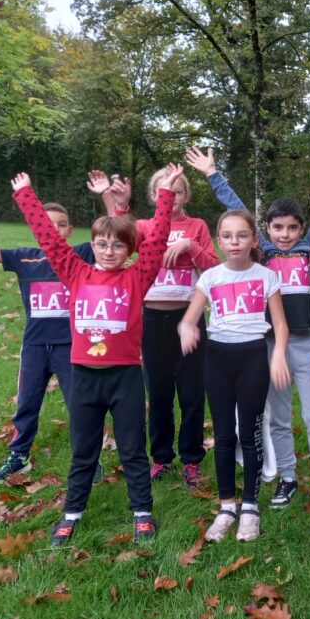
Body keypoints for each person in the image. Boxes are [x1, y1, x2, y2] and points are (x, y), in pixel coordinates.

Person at [9, 165, 183, 545]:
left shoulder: (138, 277)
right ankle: (72, 513)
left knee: (133, 449)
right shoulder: (75, 272)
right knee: (83, 451)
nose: (108, 251)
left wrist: (166, 195)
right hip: (85, 377)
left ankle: (142, 512)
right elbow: (50, 240)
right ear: (93, 244)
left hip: (125, 378)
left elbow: (157, 241)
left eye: (118, 245)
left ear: (129, 249)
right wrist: (26, 196)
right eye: (102, 244)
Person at [186, 144, 310, 504]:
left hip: (309, 345)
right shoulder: (263, 255)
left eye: (292, 227)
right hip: (269, 347)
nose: (285, 234)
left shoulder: (309, 251)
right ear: (266, 231)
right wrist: (213, 174)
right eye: (277, 228)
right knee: (278, 418)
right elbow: (238, 212)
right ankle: (287, 477)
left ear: (301, 228)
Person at [91, 166, 218, 489]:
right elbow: (117, 240)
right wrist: (116, 202)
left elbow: (215, 270)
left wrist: (191, 247)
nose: (171, 197)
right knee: (159, 393)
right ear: (153, 195)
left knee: (191, 394)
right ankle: (161, 458)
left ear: (186, 195)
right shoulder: (146, 226)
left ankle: (191, 459)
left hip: (188, 320)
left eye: (177, 191)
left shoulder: (197, 226)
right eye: (165, 191)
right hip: (151, 321)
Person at [0, 179, 97, 484]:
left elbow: (113, 233)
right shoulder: (25, 257)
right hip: (35, 347)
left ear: (69, 230)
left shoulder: (80, 256)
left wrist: (107, 197)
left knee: (79, 406)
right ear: (37, 227)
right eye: (46, 223)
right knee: (26, 403)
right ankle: (19, 457)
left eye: (61, 224)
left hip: (71, 346)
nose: (53, 229)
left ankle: (89, 461)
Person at [177, 209, 290, 542]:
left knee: (251, 434)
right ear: (219, 239)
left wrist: (279, 354)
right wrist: (186, 328)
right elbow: (189, 318)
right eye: (227, 236)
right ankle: (227, 505)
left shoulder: (266, 276)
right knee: (224, 435)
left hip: (253, 358)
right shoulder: (210, 277)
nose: (235, 242)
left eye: (242, 235)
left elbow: (280, 324)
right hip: (218, 359)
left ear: (254, 239)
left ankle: (251, 507)